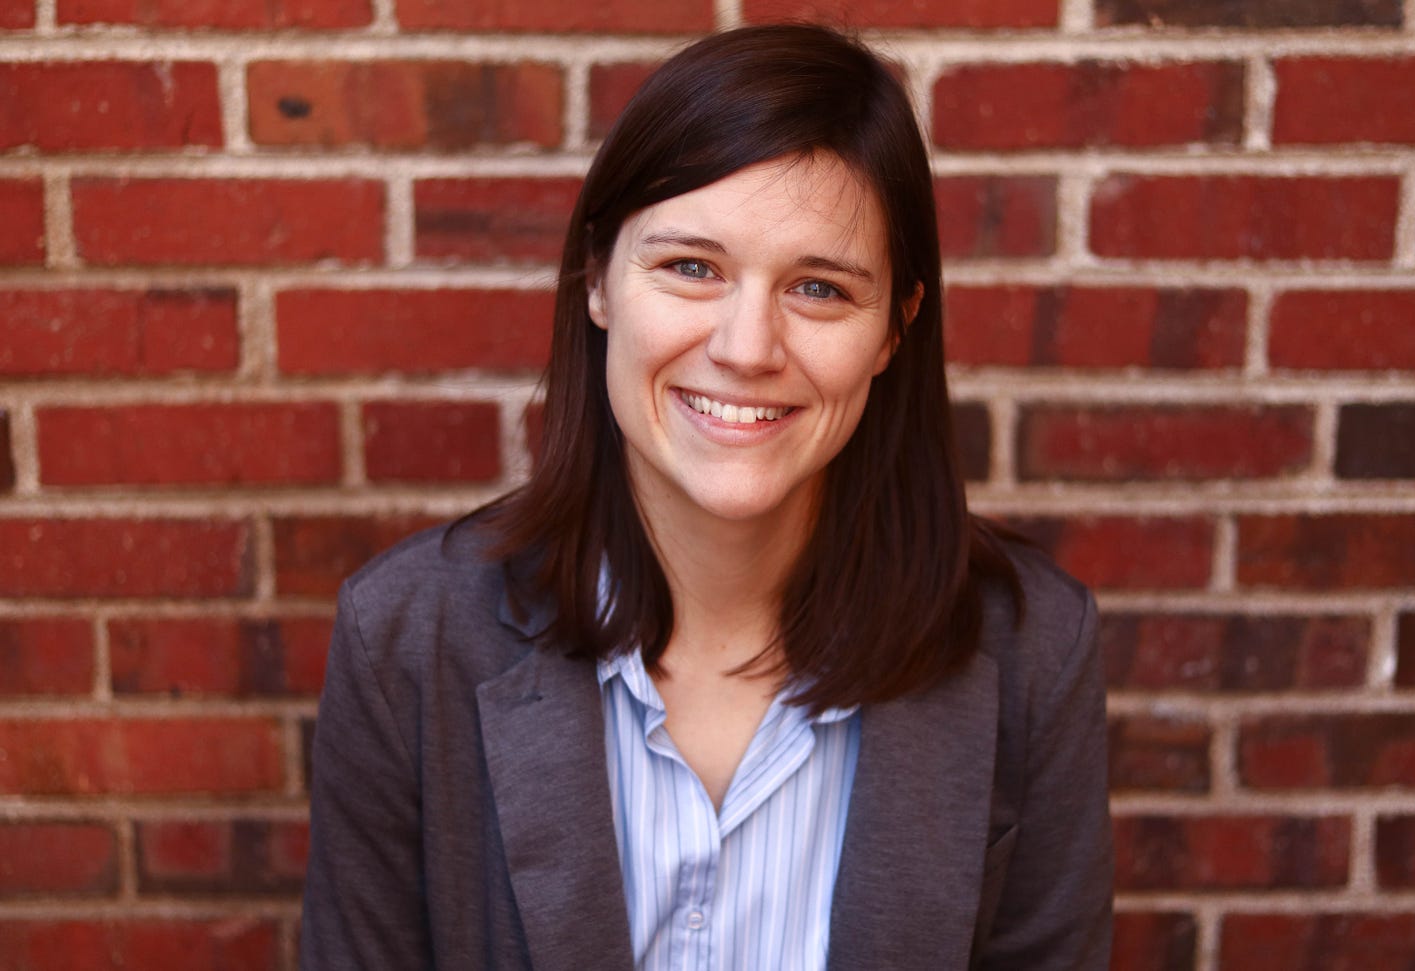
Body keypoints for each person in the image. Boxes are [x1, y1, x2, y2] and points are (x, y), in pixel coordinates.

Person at [300, 23, 1112, 971]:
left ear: (896, 329)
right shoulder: (408, 639)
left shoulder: (1031, 651)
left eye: (819, 288)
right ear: (598, 278)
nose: (747, 346)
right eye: (692, 267)